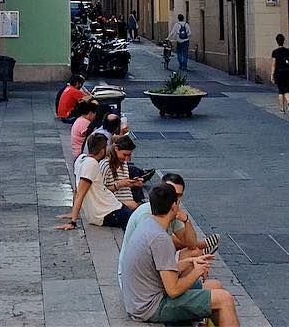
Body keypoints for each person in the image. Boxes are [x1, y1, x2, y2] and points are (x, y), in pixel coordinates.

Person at [118, 182, 239, 325]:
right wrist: (197, 271)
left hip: (140, 299)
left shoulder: (148, 224)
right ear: (174, 206)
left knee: (215, 285)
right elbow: (173, 290)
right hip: (150, 307)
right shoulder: (160, 238)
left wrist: (190, 262)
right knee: (224, 298)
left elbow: (161, 269)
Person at [120, 173, 218, 260]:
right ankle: (201, 248)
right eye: (171, 194)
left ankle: (201, 253)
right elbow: (154, 255)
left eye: (178, 195)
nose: (175, 199)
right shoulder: (147, 213)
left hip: (153, 263)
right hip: (140, 270)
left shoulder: (173, 211)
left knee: (195, 254)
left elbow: (191, 244)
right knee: (195, 259)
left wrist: (186, 221)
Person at [58, 133, 132, 230]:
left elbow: (76, 189)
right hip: (109, 212)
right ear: (102, 150)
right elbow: (80, 193)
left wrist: (73, 214)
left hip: (109, 210)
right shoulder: (92, 164)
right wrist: (73, 222)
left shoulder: (80, 159)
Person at [101, 134, 143, 212]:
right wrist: (118, 185)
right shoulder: (105, 165)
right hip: (114, 205)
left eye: (129, 155)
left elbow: (124, 188)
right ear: (116, 149)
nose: (127, 159)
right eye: (125, 155)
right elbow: (100, 192)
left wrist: (133, 183)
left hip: (127, 203)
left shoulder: (124, 164)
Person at [269, 34, 289, 115]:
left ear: (277, 41)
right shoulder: (288, 51)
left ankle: (282, 109)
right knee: (287, 89)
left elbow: (273, 64)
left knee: (281, 91)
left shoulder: (275, 52)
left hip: (279, 73)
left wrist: (272, 75)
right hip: (288, 72)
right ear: (284, 41)